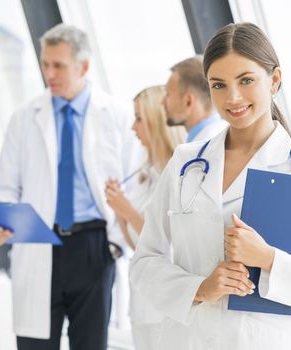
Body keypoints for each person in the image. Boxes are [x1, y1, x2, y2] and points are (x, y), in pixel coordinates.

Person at [130, 23, 291, 350]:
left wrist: (268, 258)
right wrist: (198, 289)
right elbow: (144, 262)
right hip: (186, 340)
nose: (232, 97)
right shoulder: (185, 163)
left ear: (274, 80)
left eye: (246, 80)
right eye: (219, 85)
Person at [0, 24, 141, 350]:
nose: (49, 73)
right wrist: (3, 219)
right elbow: (4, 185)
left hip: (94, 247)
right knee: (35, 344)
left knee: (91, 344)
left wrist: (114, 246)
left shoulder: (116, 116)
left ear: (83, 66)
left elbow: (135, 186)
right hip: (38, 240)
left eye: (59, 65)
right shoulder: (25, 117)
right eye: (45, 64)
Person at [105, 85, 185, 349]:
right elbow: (138, 246)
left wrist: (126, 209)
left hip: (166, 306)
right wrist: (119, 209)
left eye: (139, 118)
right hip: (142, 302)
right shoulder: (145, 173)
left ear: (156, 121)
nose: (133, 128)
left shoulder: (178, 175)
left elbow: (167, 244)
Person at [163, 55, 228, 143]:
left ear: (188, 102)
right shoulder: (224, 134)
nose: (162, 101)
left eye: (168, 94)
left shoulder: (203, 148)